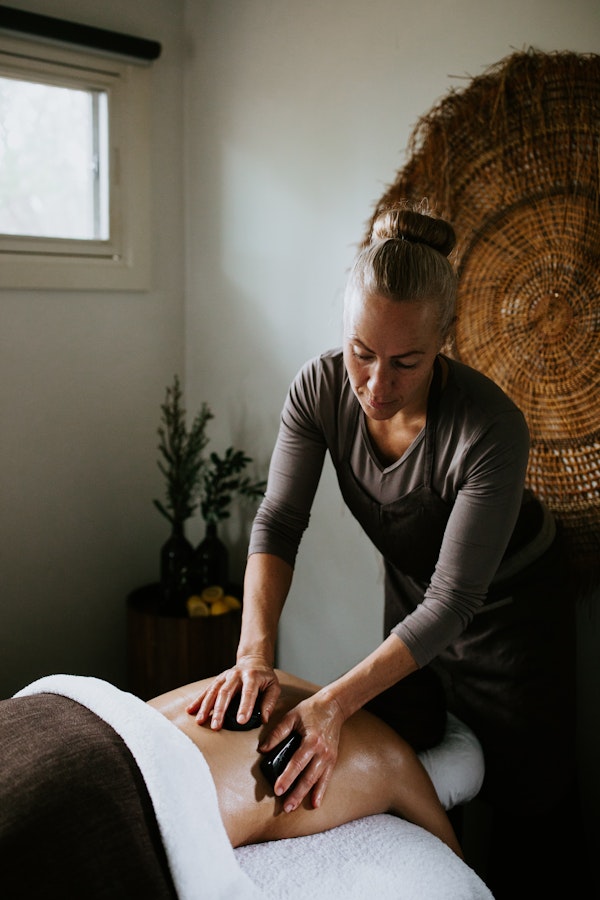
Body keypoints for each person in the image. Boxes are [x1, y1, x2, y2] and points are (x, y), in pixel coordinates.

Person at [186, 200, 533, 818]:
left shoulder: (491, 429)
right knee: (409, 741)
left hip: (511, 608)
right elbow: (278, 523)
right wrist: (253, 654)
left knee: (521, 795)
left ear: (443, 342)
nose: (376, 385)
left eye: (407, 363)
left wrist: (333, 705)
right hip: (413, 590)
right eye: (362, 352)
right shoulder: (319, 390)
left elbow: (455, 600)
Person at [150, 670, 463, 857]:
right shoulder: (395, 756)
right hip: (159, 807)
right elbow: (457, 865)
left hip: (111, 718)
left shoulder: (275, 677)